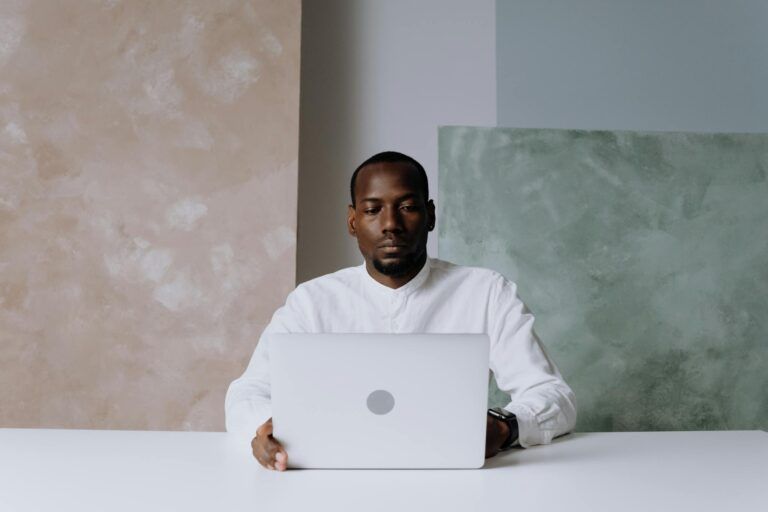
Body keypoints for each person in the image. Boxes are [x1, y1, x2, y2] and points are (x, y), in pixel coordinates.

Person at [225, 151, 577, 471]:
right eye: (372, 210)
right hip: (334, 481)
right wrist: (266, 427)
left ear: (430, 215)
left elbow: (553, 395)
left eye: (407, 207)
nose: (390, 224)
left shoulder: (486, 293)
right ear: (352, 221)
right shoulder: (311, 302)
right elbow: (246, 394)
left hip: (455, 481)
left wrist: (503, 427)